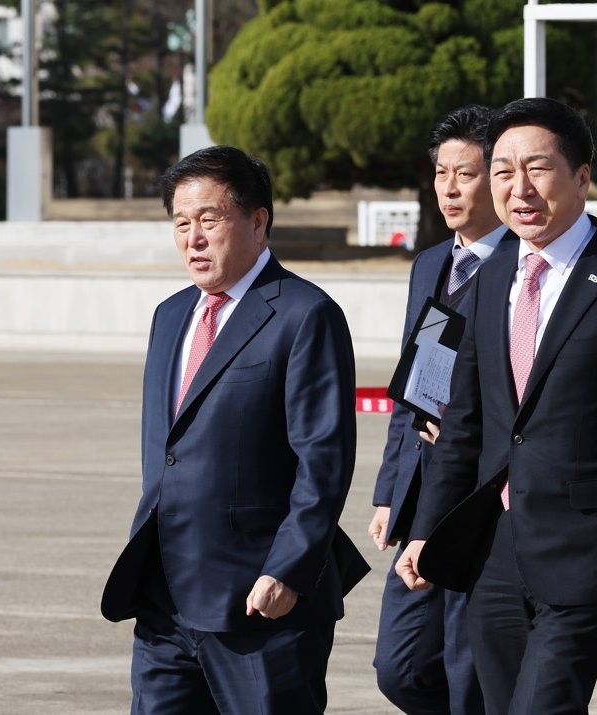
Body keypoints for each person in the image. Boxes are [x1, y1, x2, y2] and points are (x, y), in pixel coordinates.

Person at [395, 96, 597, 714]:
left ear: (581, 177)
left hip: (589, 555)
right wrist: (426, 529)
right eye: (501, 170)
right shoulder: (491, 274)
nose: (517, 187)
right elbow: (463, 422)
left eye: (538, 168)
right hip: (495, 557)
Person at [100, 145, 368, 714]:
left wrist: (288, 571)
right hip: (165, 597)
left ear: (258, 220)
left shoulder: (304, 314)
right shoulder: (171, 315)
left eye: (210, 220)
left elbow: (322, 460)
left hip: (261, 602)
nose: (193, 238)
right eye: (181, 222)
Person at [367, 104, 513, 715]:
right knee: (398, 668)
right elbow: (416, 386)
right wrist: (389, 489)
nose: (449, 189)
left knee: (467, 671)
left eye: (467, 174)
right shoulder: (433, 263)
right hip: (422, 492)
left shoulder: (522, 267)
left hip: (483, 497)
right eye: (441, 174)